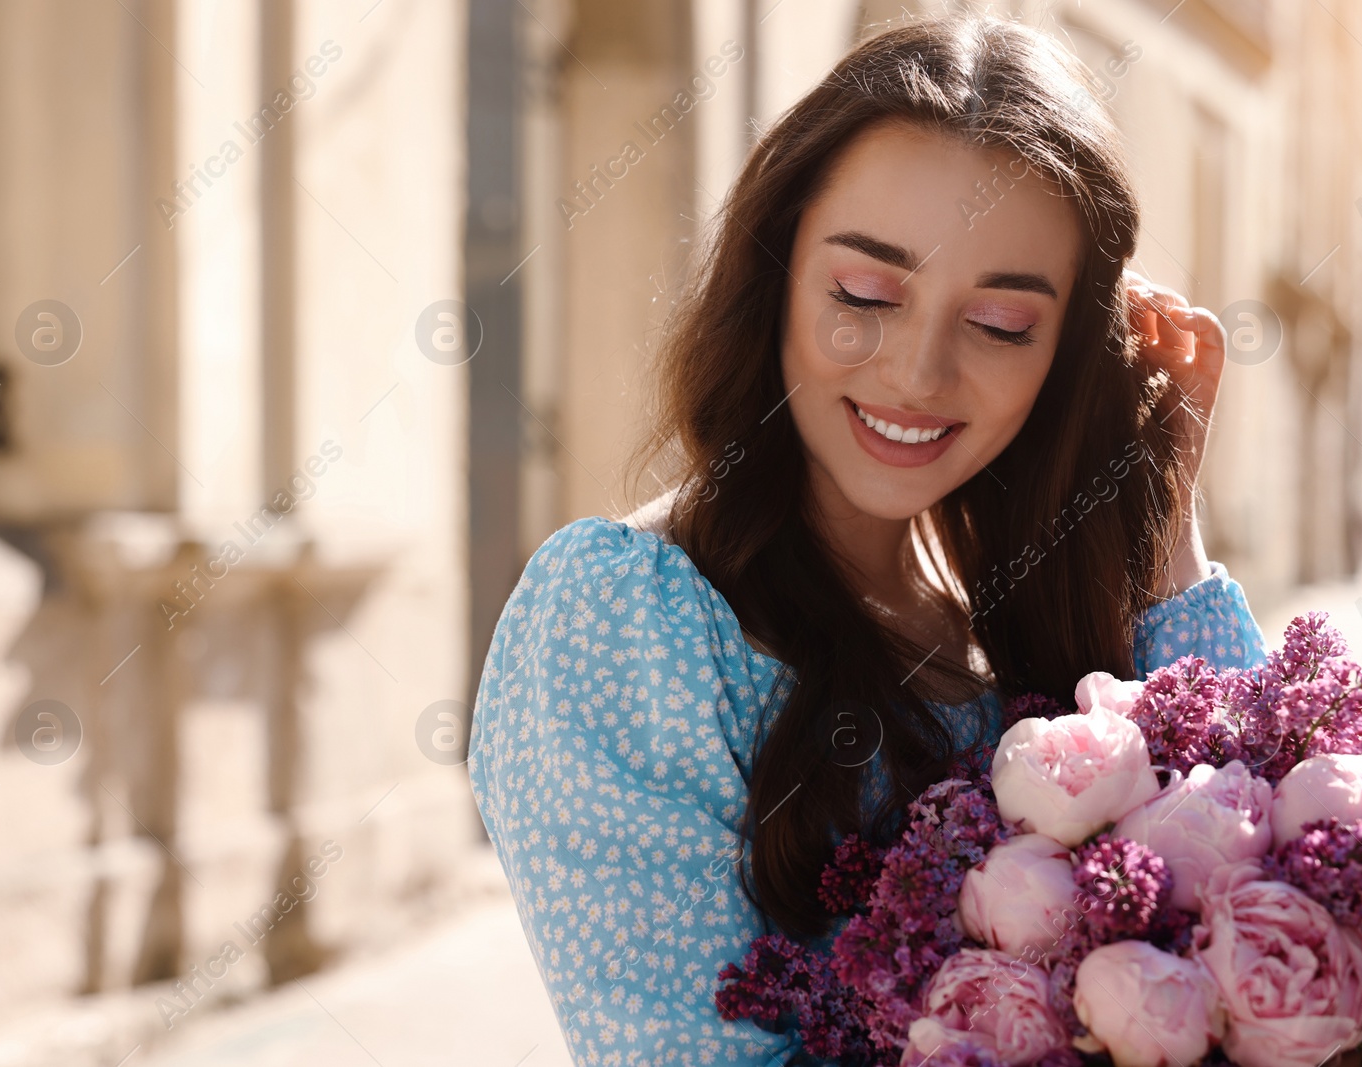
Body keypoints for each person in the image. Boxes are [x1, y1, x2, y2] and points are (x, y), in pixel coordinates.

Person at [468, 14, 1264, 1065]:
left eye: (1000, 324)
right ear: (776, 267)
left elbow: (1265, 882)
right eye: (865, 294)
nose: (916, 373)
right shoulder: (626, 615)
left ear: (1066, 356)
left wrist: (1159, 515)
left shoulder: (1007, 621)